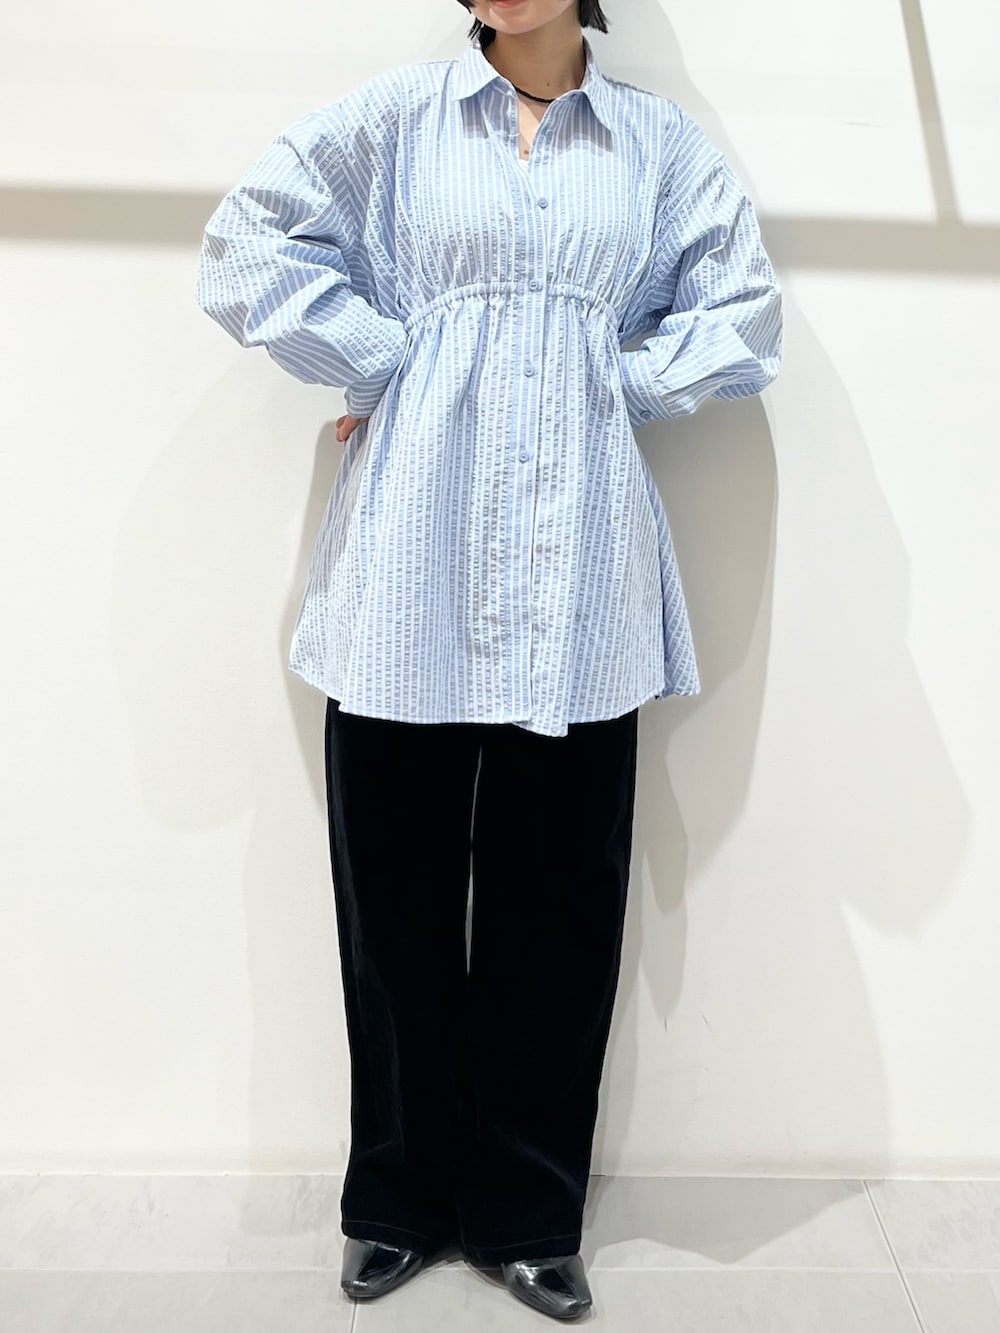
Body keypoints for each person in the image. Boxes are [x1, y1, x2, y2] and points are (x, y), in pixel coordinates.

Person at [195, 0, 782, 1319]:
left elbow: (744, 314)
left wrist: (608, 378)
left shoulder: (656, 147)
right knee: (392, 899)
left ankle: (528, 1213)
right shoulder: (394, 122)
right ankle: (397, 1200)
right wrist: (384, 355)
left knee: (559, 906)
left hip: (581, 584)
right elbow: (245, 243)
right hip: (406, 572)